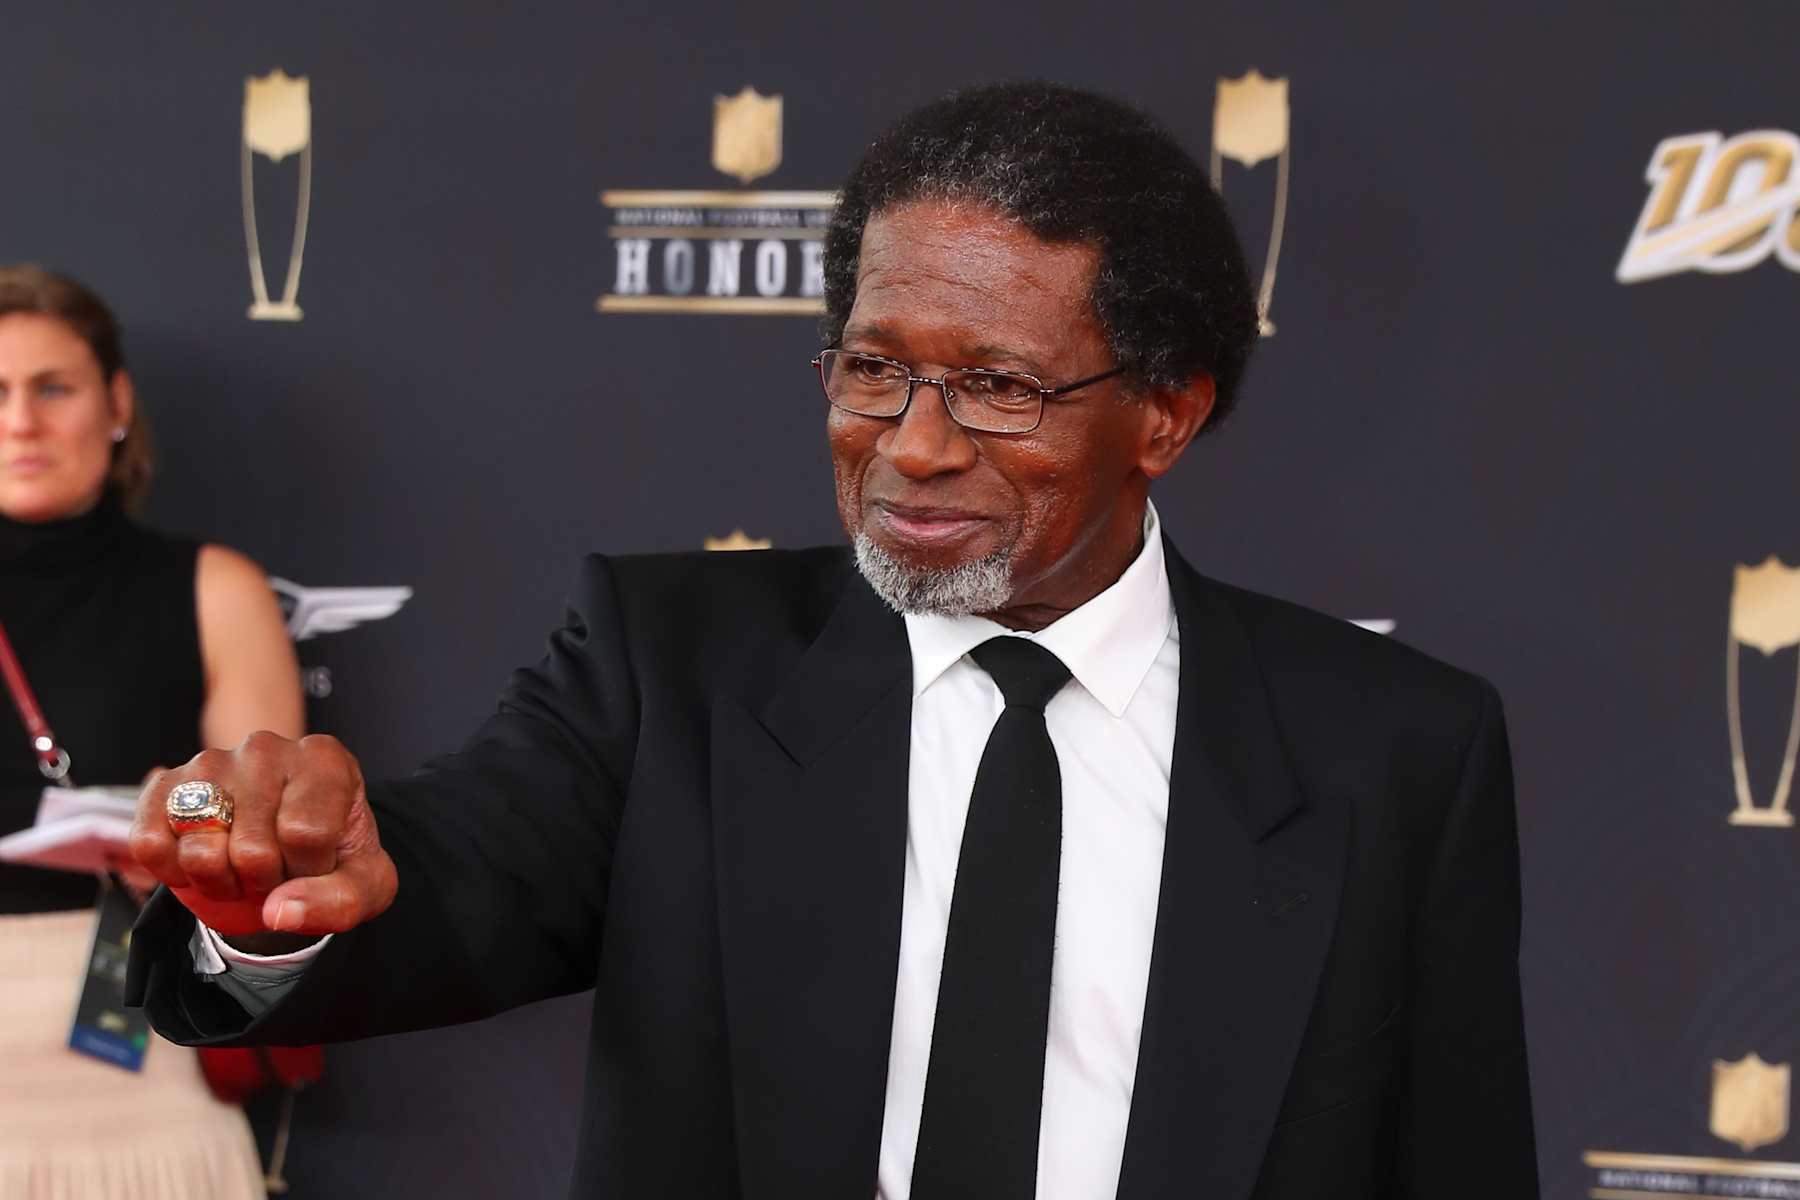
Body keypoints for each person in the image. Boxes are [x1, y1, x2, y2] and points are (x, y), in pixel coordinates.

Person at [126, 84, 1539, 1199]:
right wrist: (279, 907)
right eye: (873, 368)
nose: (912, 449)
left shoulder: (1393, 748)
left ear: (1163, 414)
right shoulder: (672, 667)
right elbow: (442, 884)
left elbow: (1454, 1157)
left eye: (997, 386)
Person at [0, 265, 303, 1198]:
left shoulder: (215, 591)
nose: (21, 421)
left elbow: (268, 824)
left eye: (53, 387)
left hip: (139, 1059)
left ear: (116, 402)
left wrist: (179, 834)